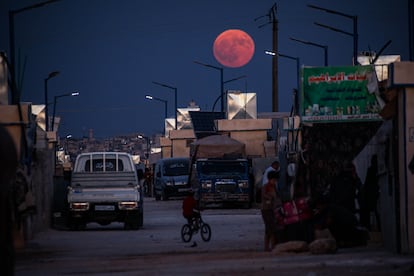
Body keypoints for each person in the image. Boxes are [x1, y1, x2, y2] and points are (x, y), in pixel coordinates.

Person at [261, 170, 282, 251]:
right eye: (274, 180)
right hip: (266, 210)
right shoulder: (266, 186)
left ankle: (268, 247)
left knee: (269, 229)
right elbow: (264, 195)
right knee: (271, 229)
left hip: (272, 209)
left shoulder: (274, 187)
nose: (275, 182)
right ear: (270, 179)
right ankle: (271, 246)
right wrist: (271, 197)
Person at [359, 155, 380, 231]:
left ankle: (367, 227)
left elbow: (367, 183)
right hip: (373, 194)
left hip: (370, 194)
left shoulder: (371, 170)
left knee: (368, 210)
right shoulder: (374, 170)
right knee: (376, 211)